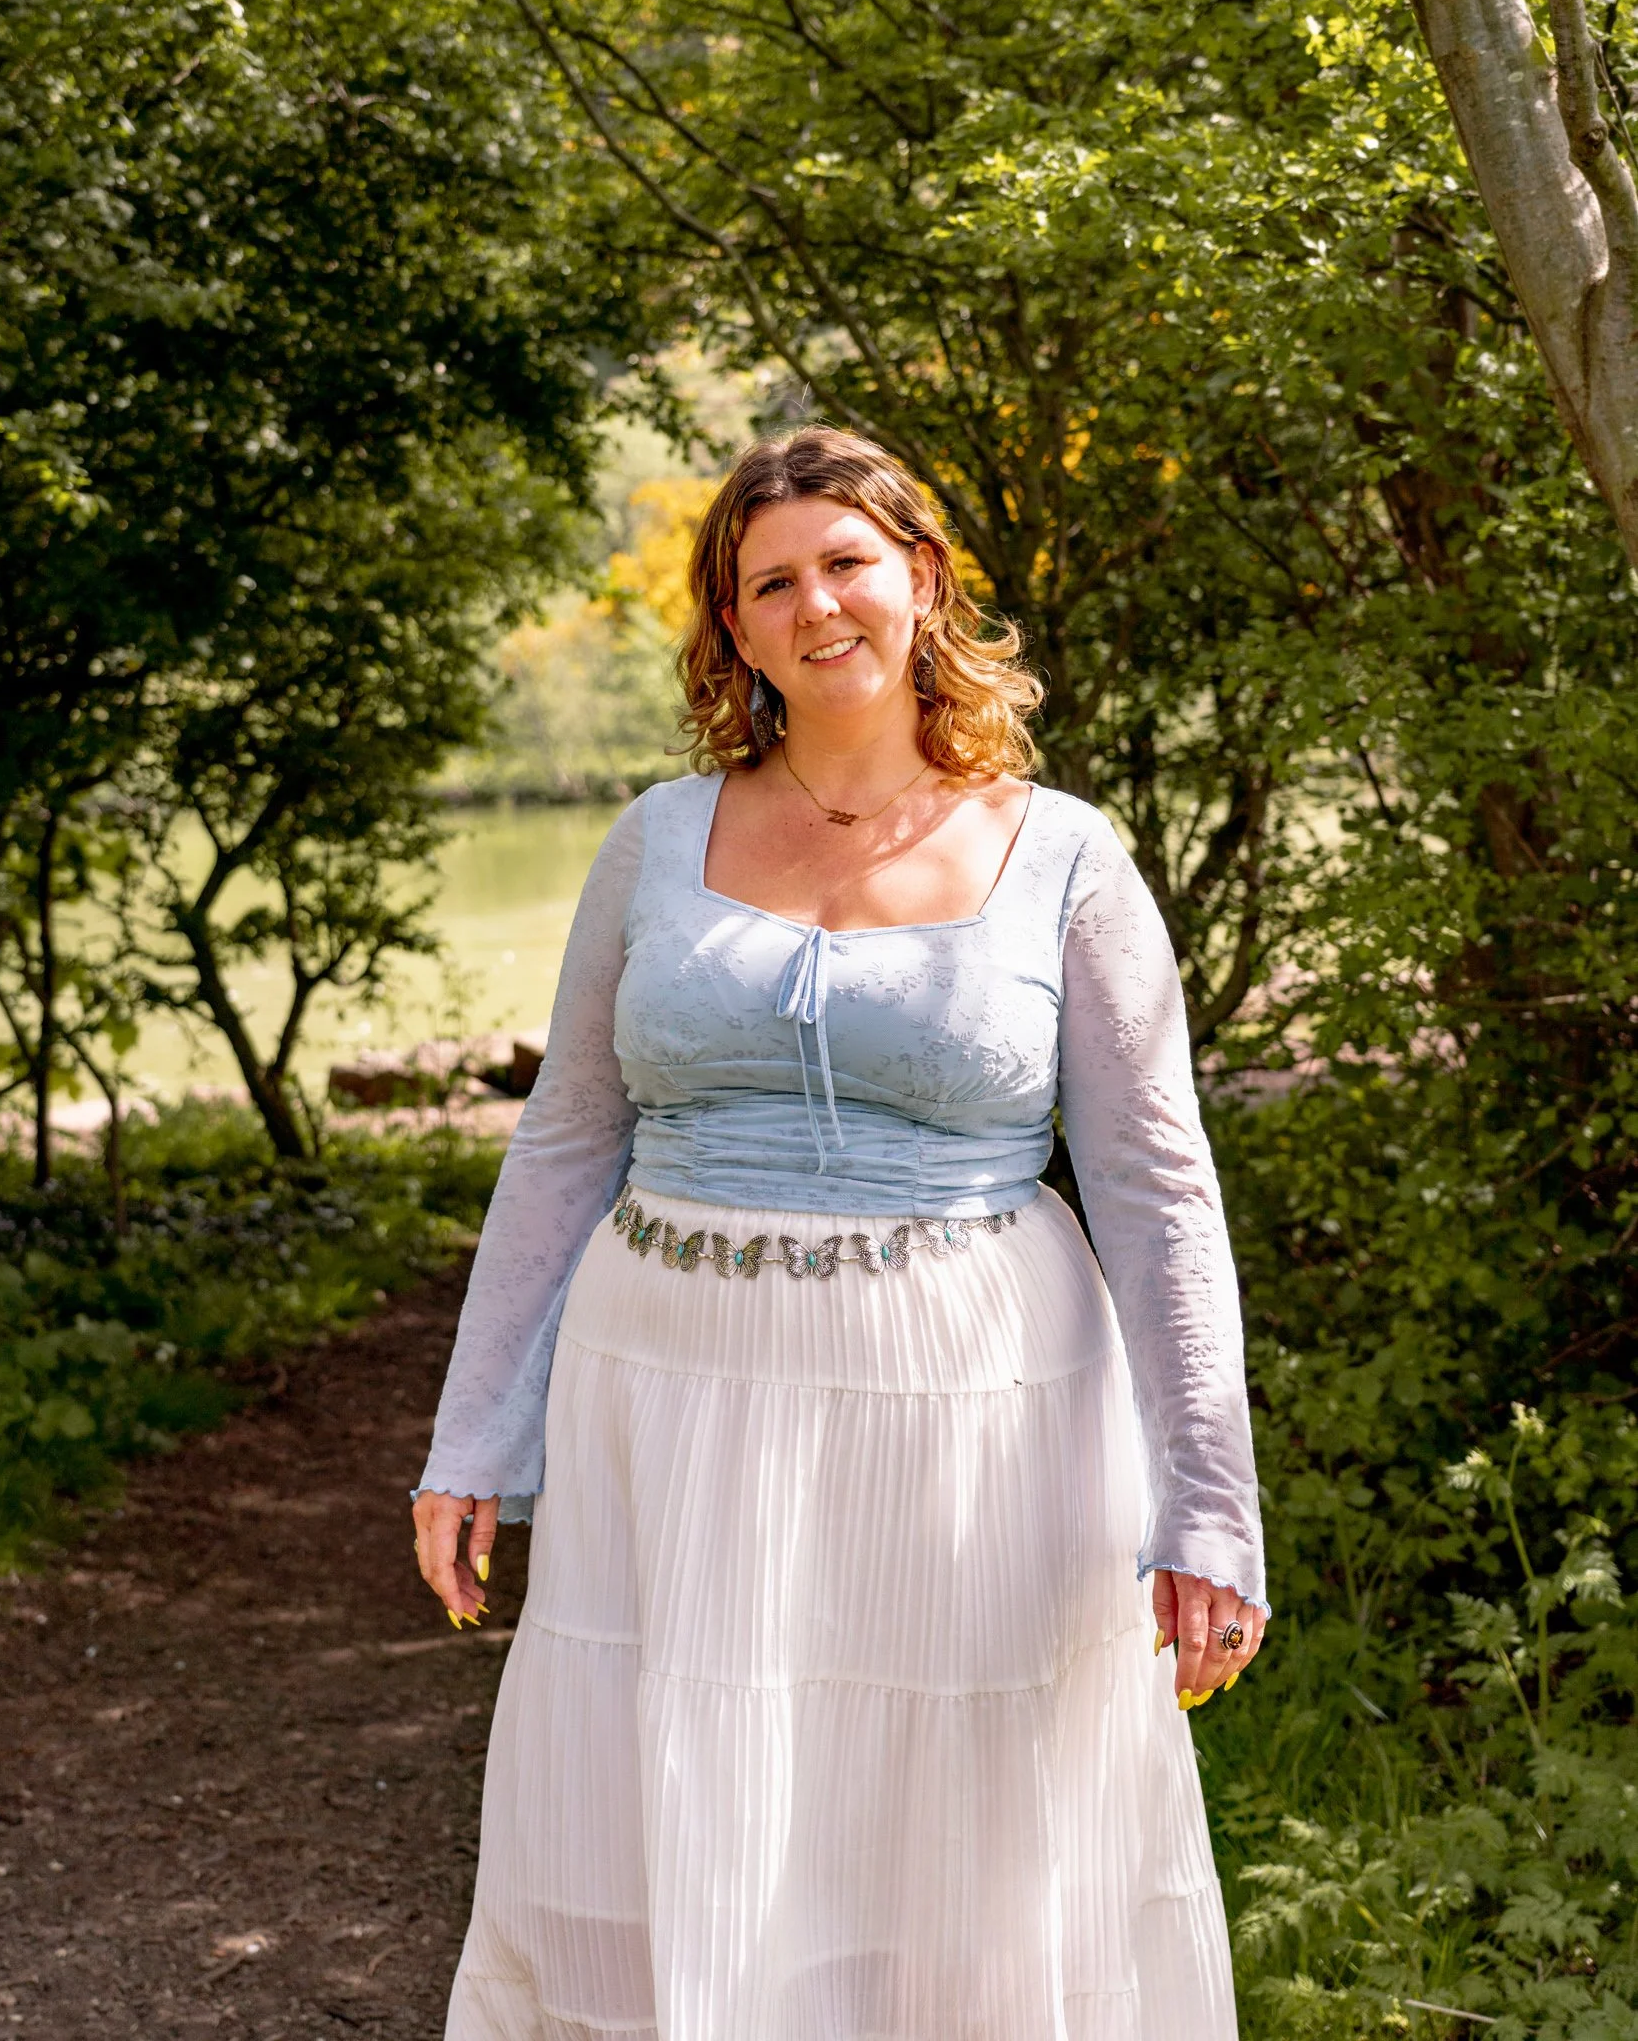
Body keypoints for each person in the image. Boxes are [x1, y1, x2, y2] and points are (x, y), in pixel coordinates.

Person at [413, 425, 1267, 2041]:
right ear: (734, 630)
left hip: (975, 1413)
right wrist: (475, 1438)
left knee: (961, 1839)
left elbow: (1158, 1189)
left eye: (848, 563)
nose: (817, 605)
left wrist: (1209, 1509)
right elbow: (568, 1138)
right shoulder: (654, 842)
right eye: (771, 583)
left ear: (922, 580)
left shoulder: (1065, 857)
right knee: (684, 1804)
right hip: (667, 1400)